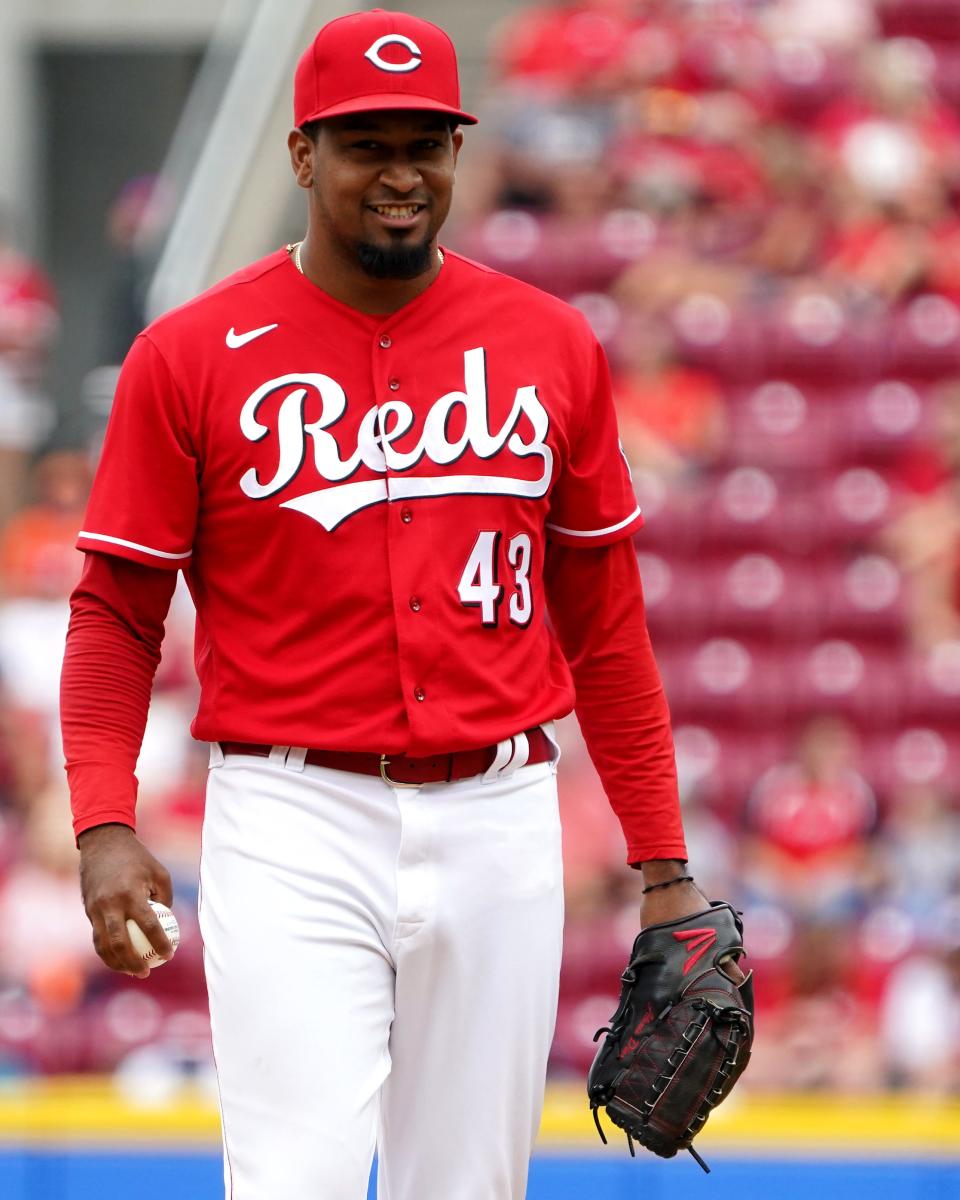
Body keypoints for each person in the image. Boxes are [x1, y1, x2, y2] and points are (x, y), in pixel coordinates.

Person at [61, 10, 703, 1199]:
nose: (401, 173)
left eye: (428, 142)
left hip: (503, 815)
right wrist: (103, 820)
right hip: (293, 818)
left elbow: (607, 625)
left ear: (461, 151)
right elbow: (114, 610)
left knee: (468, 1190)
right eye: (366, 144)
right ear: (303, 154)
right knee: (293, 1179)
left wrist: (662, 862)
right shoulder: (193, 353)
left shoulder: (550, 344)